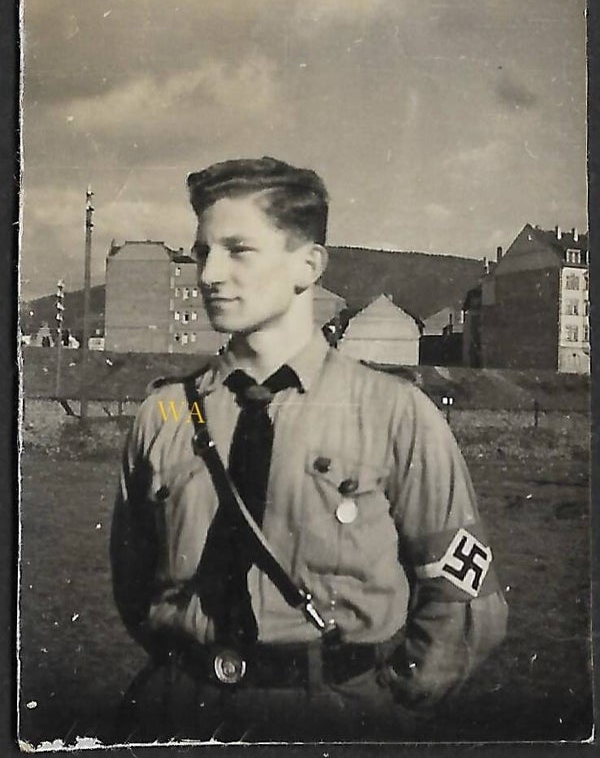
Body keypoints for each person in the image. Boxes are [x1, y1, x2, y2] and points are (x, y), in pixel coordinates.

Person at [110, 156, 508, 743]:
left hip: (330, 719)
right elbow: (133, 582)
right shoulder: (163, 415)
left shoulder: (394, 413)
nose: (209, 274)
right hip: (177, 715)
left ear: (308, 264)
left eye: (238, 249)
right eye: (202, 252)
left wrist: (388, 705)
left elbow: (464, 590)